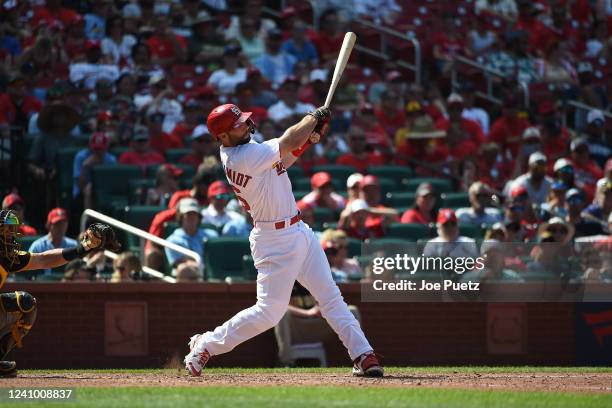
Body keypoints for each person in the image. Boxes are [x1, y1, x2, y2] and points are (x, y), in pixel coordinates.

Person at [184, 103, 382, 377]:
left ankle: (364, 355)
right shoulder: (241, 155)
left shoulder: (250, 152)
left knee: (331, 298)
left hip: (298, 230)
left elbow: (284, 159)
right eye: (238, 124)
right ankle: (206, 344)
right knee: (269, 312)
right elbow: (288, 140)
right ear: (223, 137)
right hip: (273, 238)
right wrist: (312, 118)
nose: (246, 125)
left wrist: (308, 139)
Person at [0, 210, 119, 377]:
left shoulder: (8, 256)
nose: (10, 235)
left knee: (25, 303)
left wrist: (83, 248)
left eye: (11, 230)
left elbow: (43, 259)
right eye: (5, 230)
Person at [165, 198, 218, 270]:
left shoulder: (212, 235)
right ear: (180, 217)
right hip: (187, 278)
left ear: (199, 217)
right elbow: (180, 266)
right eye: (188, 214)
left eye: (194, 213)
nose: (192, 217)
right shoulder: (172, 241)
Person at [73, 132, 117, 210]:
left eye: (101, 149)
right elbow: (80, 185)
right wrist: (85, 167)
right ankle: (88, 219)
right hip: (81, 194)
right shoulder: (81, 157)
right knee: (89, 188)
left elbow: (113, 183)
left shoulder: (111, 160)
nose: (98, 152)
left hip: (104, 190)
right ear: (90, 147)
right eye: (96, 149)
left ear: (106, 147)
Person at [28, 208, 78, 275]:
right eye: (57, 224)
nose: (61, 227)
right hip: (42, 284)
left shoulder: (73, 245)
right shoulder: (37, 246)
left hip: (67, 284)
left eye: (63, 224)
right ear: (48, 225)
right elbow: (28, 270)